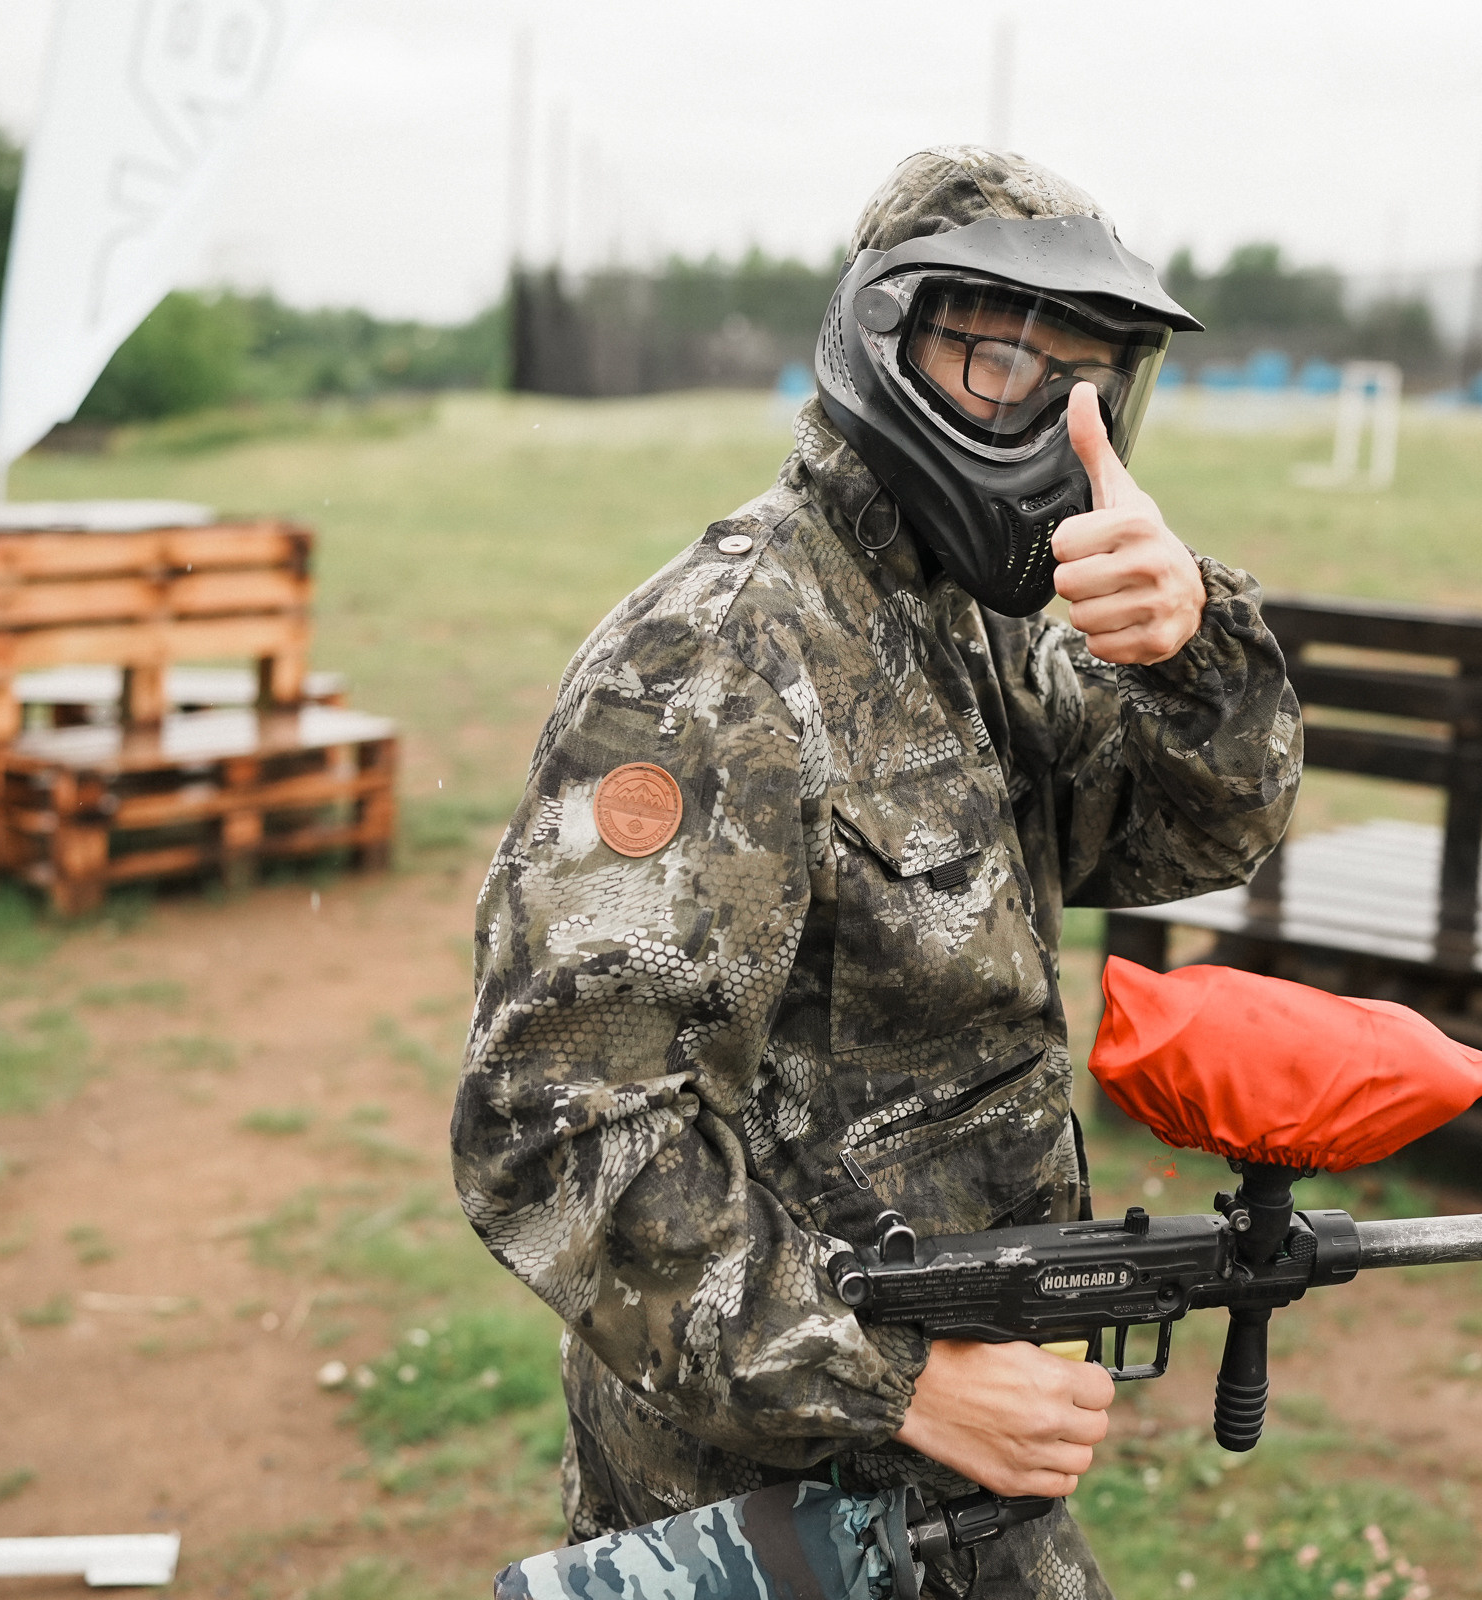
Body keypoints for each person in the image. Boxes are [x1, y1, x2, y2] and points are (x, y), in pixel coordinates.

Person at [452, 146, 1303, 1599]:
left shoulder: (974, 626)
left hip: (966, 1475)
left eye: (1088, 376)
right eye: (996, 360)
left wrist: (1190, 651)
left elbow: (1183, 834)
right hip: (769, 1496)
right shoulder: (712, 663)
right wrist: (896, 1382)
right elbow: (558, 1136)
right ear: (883, 339)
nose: (1047, 414)